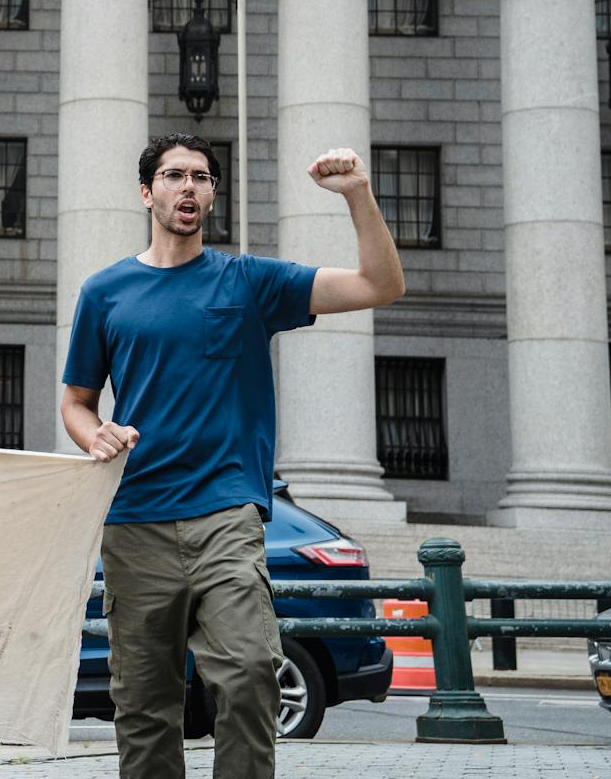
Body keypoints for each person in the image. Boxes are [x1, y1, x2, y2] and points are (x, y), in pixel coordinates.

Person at [60, 133, 404, 779]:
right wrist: (94, 434)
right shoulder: (105, 292)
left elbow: (379, 284)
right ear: (147, 192)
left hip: (226, 513)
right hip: (135, 520)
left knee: (249, 672)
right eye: (173, 176)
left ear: (213, 195)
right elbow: (76, 401)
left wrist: (357, 193)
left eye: (200, 177)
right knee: (142, 701)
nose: (188, 187)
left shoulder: (249, 282)